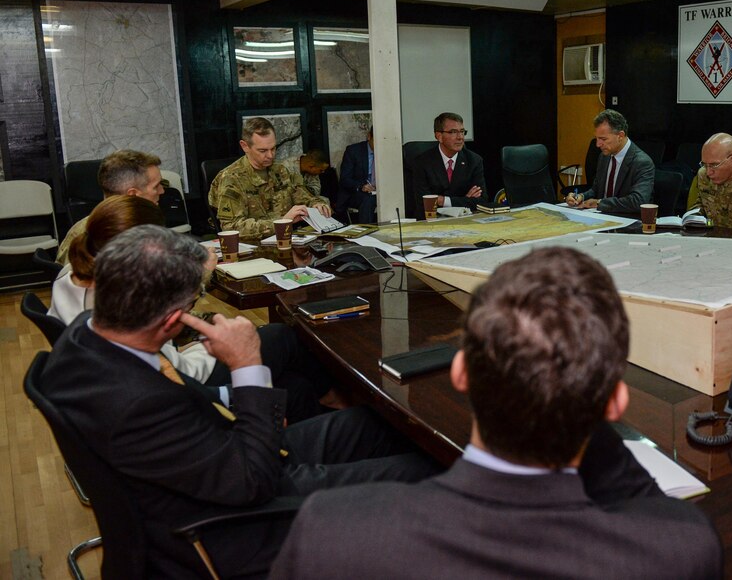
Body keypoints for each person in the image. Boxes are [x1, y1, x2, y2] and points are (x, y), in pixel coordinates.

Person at [271, 247, 723, 579]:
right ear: (615, 405)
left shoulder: (331, 530)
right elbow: (651, 506)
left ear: (461, 372)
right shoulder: (679, 550)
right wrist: (585, 407)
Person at [40, 225, 438, 578]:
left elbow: (180, 399)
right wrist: (246, 365)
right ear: (171, 320)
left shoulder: (85, 334)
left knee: (375, 424)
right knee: (425, 469)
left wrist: (249, 402)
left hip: (216, 458)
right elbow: (254, 482)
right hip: (241, 517)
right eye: (193, 300)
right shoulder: (135, 403)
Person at [49, 195, 339, 422]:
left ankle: (320, 409)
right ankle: (334, 396)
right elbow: (170, 358)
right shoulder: (119, 295)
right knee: (281, 335)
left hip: (167, 368)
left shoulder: (69, 276)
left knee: (295, 385)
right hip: (187, 377)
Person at [209, 117, 331, 241]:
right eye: (262, 150)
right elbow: (231, 228)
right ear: (245, 146)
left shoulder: (281, 171)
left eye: (273, 148)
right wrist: (282, 222)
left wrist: (316, 204)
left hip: (287, 240)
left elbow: (303, 196)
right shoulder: (231, 179)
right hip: (253, 248)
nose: (270, 155)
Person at [56, 149, 165, 264]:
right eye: (156, 186)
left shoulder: (142, 226)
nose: (162, 191)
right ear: (133, 195)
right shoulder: (93, 240)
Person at [566, 109, 655, 213]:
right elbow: (596, 189)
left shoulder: (642, 162)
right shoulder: (604, 156)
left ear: (620, 136)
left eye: (603, 139)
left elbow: (638, 201)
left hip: (626, 220)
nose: (598, 144)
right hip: (601, 216)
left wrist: (599, 203)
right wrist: (580, 196)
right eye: (597, 139)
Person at [410, 112, 487, 217]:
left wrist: (443, 201)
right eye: (453, 132)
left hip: (464, 222)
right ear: (439, 136)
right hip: (431, 222)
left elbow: (481, 201)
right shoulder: (422, 162)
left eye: (462, 131)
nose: (460, 137)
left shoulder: (474, 161)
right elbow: (424, 203)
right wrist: (465, 200)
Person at [337, 126, 377, 223]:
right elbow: (345, 179)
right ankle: (366, 232)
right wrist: (361, 186)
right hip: (357, 192)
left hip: (380, 191)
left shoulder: (389, 152)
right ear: (369, 136)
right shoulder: (353, 151)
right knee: (369, 200)